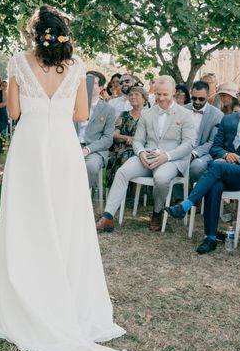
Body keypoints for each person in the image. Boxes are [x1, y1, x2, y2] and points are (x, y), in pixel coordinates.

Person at [0, 5, 134, 351]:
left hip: (30, 145)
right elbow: (80, 116)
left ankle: (28, 289)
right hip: (62, 147)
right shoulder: (76, 67)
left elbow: (12, 112)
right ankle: (66, 292)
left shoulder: (17, 62)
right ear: (63, 32)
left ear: (34, 32)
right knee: (65, 217)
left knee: (28, 217)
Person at [165, 82, 240, 254]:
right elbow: (215, 147)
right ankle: (210, 238)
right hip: (223, 170)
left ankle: (186, 205)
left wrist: (234, 160)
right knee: (215, 184)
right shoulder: (228, 119)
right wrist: (225, 155)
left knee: (216, 167)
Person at [96, 75, 196, 232]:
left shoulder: (186, 114)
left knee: (161, 178)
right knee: (122, 172)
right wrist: (141, 152)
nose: (161, 98)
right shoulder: (147, 114)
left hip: (172, 159)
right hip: (147, 156)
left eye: (165, 94)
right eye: (158, 94)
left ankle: (157, 212)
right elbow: (137, 140)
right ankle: (107, 216)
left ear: (174, 93)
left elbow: (189, 143)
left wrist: (167, 156)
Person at [78, 71, 116, 189]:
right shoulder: (74, 103)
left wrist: (88, 149)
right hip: (73, 144)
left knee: (91, 166)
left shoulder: (108, 109)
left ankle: (82, 199)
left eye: (93, 83)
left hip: (95, 150)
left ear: (100, 88)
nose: (88, 85)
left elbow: (108, 138)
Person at [105, 86, 147, 188]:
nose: (132, 97)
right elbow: (115, 134)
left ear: (144, 99)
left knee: (131, 156)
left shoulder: (149, 115)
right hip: (122, 147)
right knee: (124, 154)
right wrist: (127, 138)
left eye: (136, 94)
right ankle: (120, 192)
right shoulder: (124, 115)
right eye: (131, 95)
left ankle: (132, 193)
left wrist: (136, 141)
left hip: (142, 148)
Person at [184, 81, 224, 182]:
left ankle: (195, 194)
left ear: (208, 96)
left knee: (195, 167)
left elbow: (212, 142)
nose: (197, 102)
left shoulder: (217, 115)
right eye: (194, 98)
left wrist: (193, 154)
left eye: (201, 99)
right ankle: (179, 197)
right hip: (183, 148)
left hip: (205, 152)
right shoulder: (182, 110)